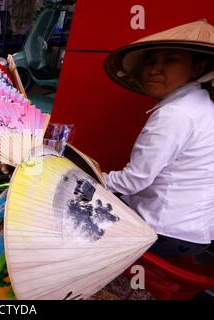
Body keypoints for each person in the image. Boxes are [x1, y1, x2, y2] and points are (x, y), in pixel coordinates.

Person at [103, 19, 214, 260]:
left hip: (166, 233)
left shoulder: (176, 113)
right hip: (194, 233)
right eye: (150, 61)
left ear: (198, 68)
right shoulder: (201, 104)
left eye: (171, 60)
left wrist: (88, 178)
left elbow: (133, 181)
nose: (155, 69)